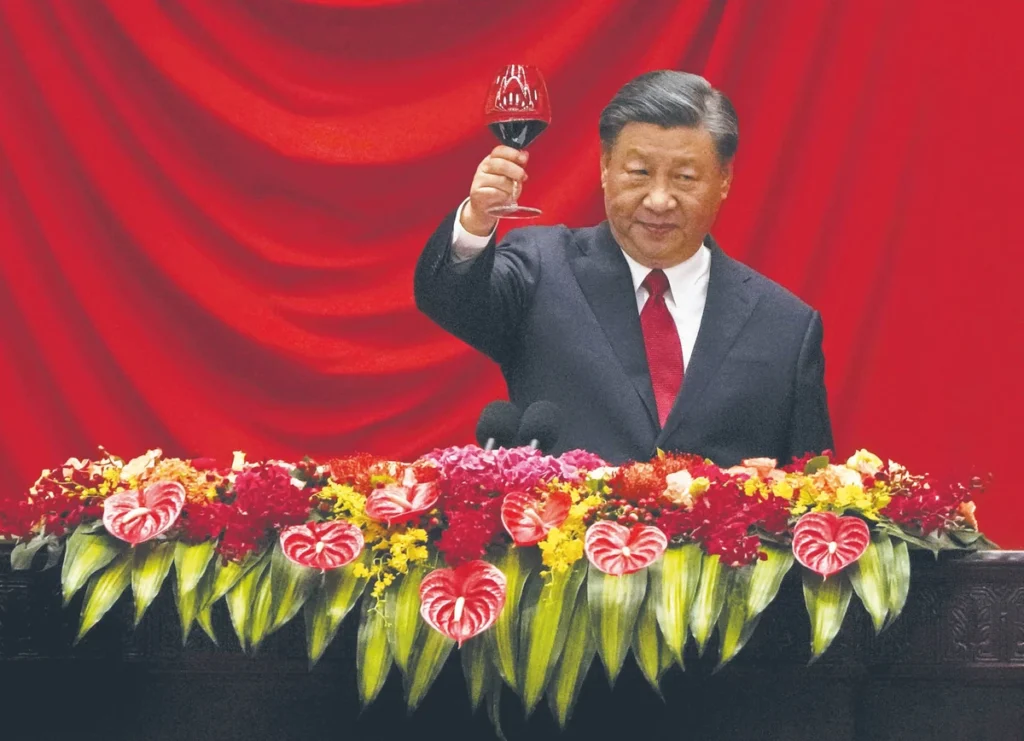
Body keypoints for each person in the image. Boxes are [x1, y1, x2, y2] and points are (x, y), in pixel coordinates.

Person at [414, 70, 833, 466]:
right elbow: (451, 298)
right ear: (605, 167)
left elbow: (816, 490)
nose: (659, 200)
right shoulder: (542, 268)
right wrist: (477, 220)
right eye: (639, 173)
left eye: (685, 178)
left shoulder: (785, 328)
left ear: (724, 180)